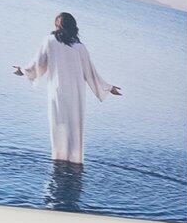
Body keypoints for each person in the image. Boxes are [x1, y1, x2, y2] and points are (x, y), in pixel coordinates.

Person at [14, 12, 121, 166]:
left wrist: (22, 70)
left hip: (57, 94)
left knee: (59, 127)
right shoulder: (80, 48)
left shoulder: (50, 41)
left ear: (58, 25)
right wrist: (108, 88)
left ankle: (58, 161)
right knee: (75, 130)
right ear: (73, 27)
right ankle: (74, 163)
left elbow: (38, 64)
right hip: (76, 97)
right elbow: (91, 73)